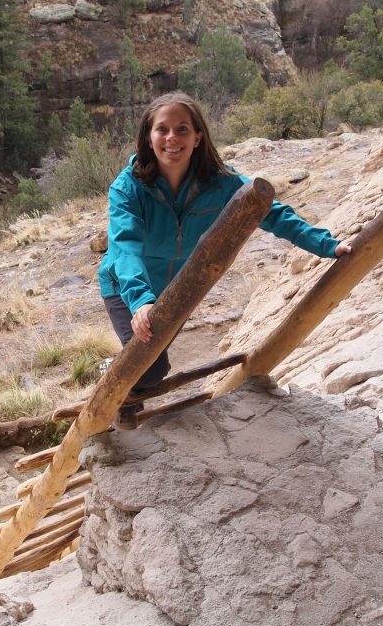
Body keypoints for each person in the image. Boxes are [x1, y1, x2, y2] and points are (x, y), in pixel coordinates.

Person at [98, 92, 353, 428]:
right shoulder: (128, 187)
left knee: (147, 365)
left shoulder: (219, 182)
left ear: (198, 136)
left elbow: (270, 212)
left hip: (177, 292)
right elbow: (125, 246)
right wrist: (140, 301)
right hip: (125, 287)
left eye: (182, 129)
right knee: (153, 366)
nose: (172, 138)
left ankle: (124, 396)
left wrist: (326, 245)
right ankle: (115, 396)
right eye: (162, 130)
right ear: (148, 136)